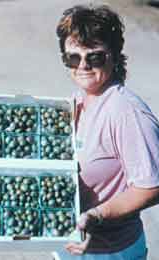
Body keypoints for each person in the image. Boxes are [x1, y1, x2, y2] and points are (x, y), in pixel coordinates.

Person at [53, 4, 159, 260]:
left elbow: (151, 187)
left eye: (95, 57)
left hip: (110, 252)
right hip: (71, 241)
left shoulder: (126, 112)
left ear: (114, 54)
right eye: (73, 57)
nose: (83, 66)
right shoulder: (79, 99)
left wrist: (97, 215)